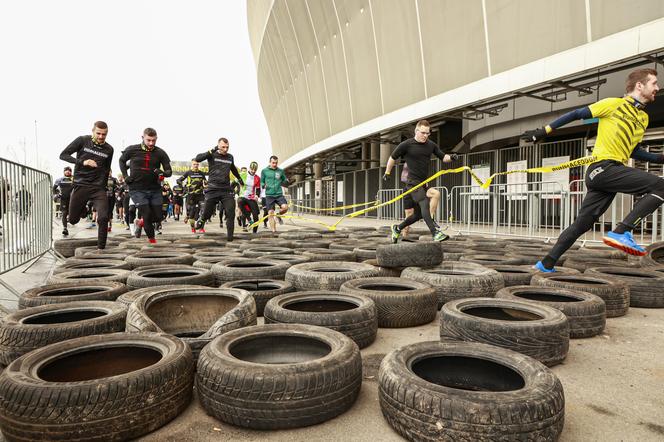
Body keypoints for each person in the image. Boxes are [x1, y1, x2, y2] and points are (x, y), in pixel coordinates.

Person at [523, 68, 663, 272]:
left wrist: (661, 158)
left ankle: (546, 263)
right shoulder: (613, 104)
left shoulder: (643, 119)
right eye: (654, 83)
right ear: (639, 85)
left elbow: (633, 151)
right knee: (661, 186)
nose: (657, 88)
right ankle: (622, 231)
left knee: (582, 224)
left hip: (611, 173)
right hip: (603, 168)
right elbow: (577, 114)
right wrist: (544, 130)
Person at [384, 120, 456, 243]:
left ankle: (397, 228)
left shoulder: (431, 145)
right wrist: (387, 172)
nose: (425, 136)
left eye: (427, 133)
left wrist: (452, 157)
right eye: (423, 133)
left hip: (423, 183)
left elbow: (443, 157)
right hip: (412, 182)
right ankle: (435, 233)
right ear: (416, 131)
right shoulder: (406, 144)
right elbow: (392, 157)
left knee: (418, 215)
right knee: (424, 204)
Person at [59, 121, 114, 249]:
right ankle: (83, 209)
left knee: (103, 217)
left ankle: (101, 248)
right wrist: (83, 162)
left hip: (98, 188)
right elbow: (63, 155)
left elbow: (106, 169)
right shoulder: (82, 140)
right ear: (92, 131)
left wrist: (104, 187)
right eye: (98, 133)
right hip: (81, 185)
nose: (101, 137)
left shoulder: (109, 149)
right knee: (72, 220)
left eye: (104, 134)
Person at [118, 127, 172, 243]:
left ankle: (141, 222)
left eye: (153, 140)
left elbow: (169, 172)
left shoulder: (160, 153)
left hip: (154, 189)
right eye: (148, 140)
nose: (151, 143)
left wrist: (162, 172)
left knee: (159, 216)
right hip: (137, 189)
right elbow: (121, 161)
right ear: (143, 138)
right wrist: (125, 176)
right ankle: (152, 241)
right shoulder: (132, 149)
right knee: (146, 214)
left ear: (156, 139)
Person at [194, 138, 243, 239]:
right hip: (213, 188)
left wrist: (239, 178)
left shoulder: (230, 157)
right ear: (218, 146)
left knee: (230, 212)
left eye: (227, 147)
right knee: (207, 212)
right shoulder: (212, 154)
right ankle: (202, 219)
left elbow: (232, 168)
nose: (225, 149)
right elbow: (198, 158)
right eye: (223, 147)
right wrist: (213, 149)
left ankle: (230, 237)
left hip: (226, 189)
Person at [400, 164, 441, 238]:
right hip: (410, 189)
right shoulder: (409, 162)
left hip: (422, 187)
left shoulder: (423, 161)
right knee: (409, 214)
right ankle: (404, 236)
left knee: (436, 193)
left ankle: (430, 218)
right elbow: (404, 178)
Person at [261, 155, 289, 233]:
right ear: (269, 162)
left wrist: (286, 181)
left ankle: (278, 214)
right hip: (269, 195)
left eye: (276, 163)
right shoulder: (264, 171)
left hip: (279, 194)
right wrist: (263, 185)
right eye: (273, 163)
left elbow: (284, 179)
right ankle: (274, 231)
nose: (274, 164)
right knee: (270, 213)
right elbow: (262, 181)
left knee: (285, 207)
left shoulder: (280, 171)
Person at [177, 160, 207, 232]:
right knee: (192, 213)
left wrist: (206, 184)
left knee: (204, 210)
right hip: (191, 195)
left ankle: (201, 227)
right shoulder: (188, 172)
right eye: (194, 164)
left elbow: (205, 182)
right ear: (192, 165)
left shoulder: (202, 173)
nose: (196, 166)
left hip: (200, 195)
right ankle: (193, 227)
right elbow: (178, 180)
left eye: (197, 164)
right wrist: (183, 184)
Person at [238, 161, 261, 233]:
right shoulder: (242, 174)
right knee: (240, 201)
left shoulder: (257, 178)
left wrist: (257, 195)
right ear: (249, 168)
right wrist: (233, 193)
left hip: (251, 197)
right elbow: (233, 183)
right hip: (243, 196)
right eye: (252, 169)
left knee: (256, 215)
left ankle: (255, 232)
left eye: (255, 170)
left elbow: (258, 189)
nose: (253, 171)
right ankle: (249, 220)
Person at [53, 166, 74, 236]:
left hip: (73, 200)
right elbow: (54, 189)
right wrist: (57, 194)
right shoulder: (59, 179)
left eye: (69, 170)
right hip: (64, 199)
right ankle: (65, 228)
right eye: (66, 170)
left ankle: (71, 220)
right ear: (64, 172)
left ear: (71, 172)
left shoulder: (74, 179)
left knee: (72, 215)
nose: (68, 171)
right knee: (64, 214)